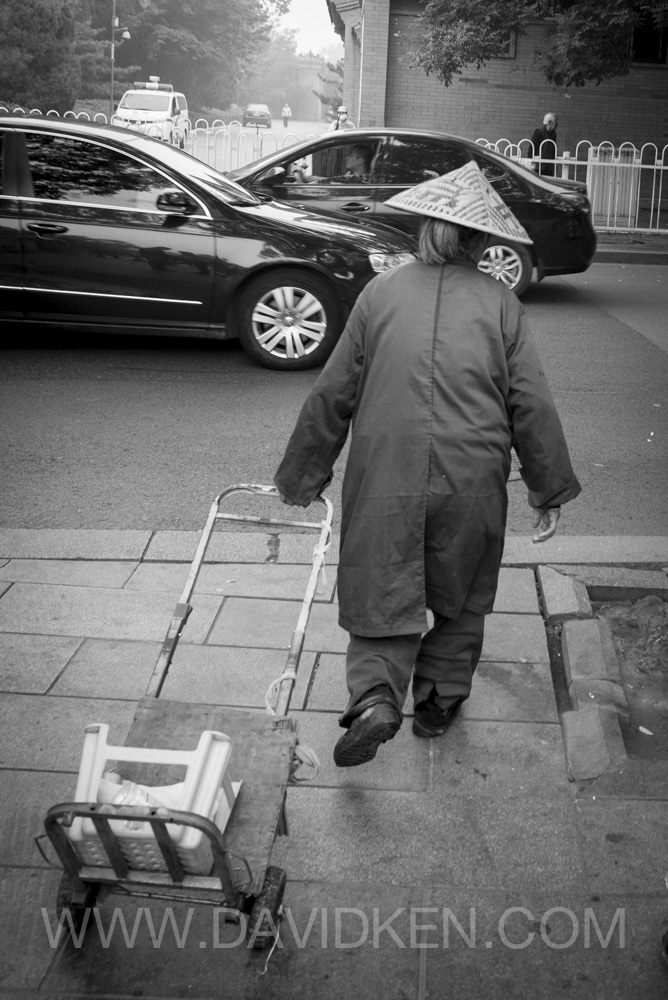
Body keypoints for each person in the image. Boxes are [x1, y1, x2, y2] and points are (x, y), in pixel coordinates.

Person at [274, 160, 581, 768]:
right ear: (480, 239)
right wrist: (547, 490)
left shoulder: (379, 294)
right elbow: (531, 402)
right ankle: (438, 701)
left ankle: (375, 698)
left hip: (386, 470)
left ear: (425, 228)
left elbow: (334, 392)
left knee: (381, 578)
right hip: (473, 477)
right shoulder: (501, 303)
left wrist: (304, 475)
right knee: (461, 592)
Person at [290, 144, 372, 184]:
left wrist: (303, 179)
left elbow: (330, 182)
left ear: (360, 161)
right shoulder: (350, 176)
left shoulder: (358, 181)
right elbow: (330, 180)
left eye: (350, 155)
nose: (347, 158)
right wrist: (305, 177)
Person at [531, 112, 558, 176]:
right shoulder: (539, 132)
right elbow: (532, 149)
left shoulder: (554, 134)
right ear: (550, 122)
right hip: (538, 167)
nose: (556, 125)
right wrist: (531, 163)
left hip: (549, 168)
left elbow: (553, 150)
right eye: (555, 122)